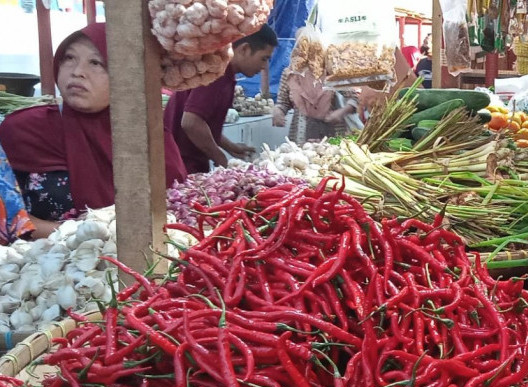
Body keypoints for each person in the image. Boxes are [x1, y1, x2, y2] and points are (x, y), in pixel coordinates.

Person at [0, 23, 187, 239]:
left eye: (96, 62)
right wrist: (84, 235)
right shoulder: (22, 129)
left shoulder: (150, 137)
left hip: (140, 264)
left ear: (128, 77)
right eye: (69, 58)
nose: (78, 72)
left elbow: (176, 212)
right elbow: (7, 219)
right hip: (41, 266)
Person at [164, 25, 278, 174]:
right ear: (244, 49)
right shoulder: (217, 74)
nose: (264, 66)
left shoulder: (226, 75)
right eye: (264, 58)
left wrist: (230, 146)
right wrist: (222, 160)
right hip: (180, 163)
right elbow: (191, 122)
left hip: (189, 161)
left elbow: (204, 124)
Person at [272, 66, 359, 144]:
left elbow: (355, 98)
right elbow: (283, 102)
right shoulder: (290, 73)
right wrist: (278, 111)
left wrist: (341, 112)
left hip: (331, 131)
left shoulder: (331, 71)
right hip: (301, 134)